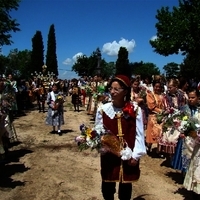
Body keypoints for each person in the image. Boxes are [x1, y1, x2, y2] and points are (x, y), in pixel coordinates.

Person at [95, 75, 146, 200]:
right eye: (111, 88)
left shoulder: (135, 110)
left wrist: (136, 155)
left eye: (116, 89)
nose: (112, 92)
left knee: (126, 187)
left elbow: (139, 134)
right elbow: (98, 131)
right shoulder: (103, 109)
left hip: (129, 154)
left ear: (125, 91)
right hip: (109, 155)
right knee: (107, 185)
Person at [183, 88, 200, 198]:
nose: (190, 99)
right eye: (189, 97)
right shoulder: (190, 111)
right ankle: (194, 190)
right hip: (196, 144)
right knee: (195, 166)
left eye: (193, 97)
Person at [145, 80, 165, 156]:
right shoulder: (150, 95)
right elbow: (151, 106)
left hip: (161, 116)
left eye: (159, 87)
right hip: (153, 116)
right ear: (153, 87)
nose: (157, 88)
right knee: (151, 133)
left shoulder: (162, 95)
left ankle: (158, 150)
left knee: (160, 133)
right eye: (156, 86)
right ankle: (148, 147)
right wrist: (162, 111)